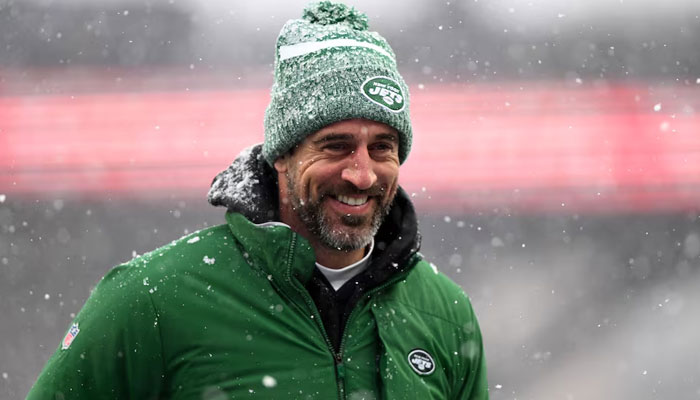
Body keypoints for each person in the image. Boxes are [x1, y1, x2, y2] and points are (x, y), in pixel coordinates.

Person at [27, 1, 488, 399]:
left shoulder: (444, 313)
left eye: (382, 147)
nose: (361, 173)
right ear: (282, 155)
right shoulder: (153, 299)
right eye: (335, 146)